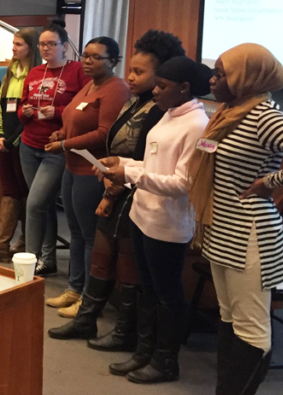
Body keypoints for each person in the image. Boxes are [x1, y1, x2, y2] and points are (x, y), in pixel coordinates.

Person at [48, 30, 184, 345]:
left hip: (137, 193)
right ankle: (88, 321)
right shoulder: (137, 101)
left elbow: (141, 157)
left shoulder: (160, 111)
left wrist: (112, 189)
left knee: (124, 264)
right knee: (101, 253)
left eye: (139, 72)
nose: (130, 78)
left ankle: (124, 332)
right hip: (118, 182)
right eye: (130, 70)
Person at [84, 56, 210, 387]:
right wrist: (123, 161)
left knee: (168, 295)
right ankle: (144, 352)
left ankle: (165, 361)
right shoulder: (170, 113)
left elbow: (183, 184)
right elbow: (154, 163)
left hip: (168, 225)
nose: (155, 90)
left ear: (184, 88)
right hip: (143, 215)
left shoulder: (197, 124)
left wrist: (129, 175)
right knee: (148, 290)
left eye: (162, 86)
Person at [181, 44, 283, 395]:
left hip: (251, 234)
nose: (212, 80)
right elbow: (207, 157)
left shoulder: (264, 115)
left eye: (221, 75)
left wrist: (271, 184)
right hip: (221, 229)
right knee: (228, 323)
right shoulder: (226, 113)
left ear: (248, 78)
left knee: (252, 329)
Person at [43, 37, 130, 315]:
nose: (88, 61)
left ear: (113, 61)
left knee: (91, 236)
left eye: (96, 57)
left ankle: (89, 299)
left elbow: (105, 133)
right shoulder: (89, 85)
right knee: (77, 234)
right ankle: (74, 288)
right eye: (86, 56)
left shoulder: (116, 89)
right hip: (71, 167)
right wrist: (61, 133)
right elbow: (74, 118)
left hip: (91, 171)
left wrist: (65, 144)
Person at [18, 21, 89, 276]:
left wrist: (57, 112)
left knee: (35, 203)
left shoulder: (77, 71)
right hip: (29, 145)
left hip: (56, 149)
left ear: (64, 47)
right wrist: (24, 111)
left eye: (51, 44)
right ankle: (47, 260)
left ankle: (29, 260)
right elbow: (22, 106)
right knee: (43, 205)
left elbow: (86, 108)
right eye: (42, 44)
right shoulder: (36, 71)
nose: (46, 48)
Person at [0, 28, 41, 261]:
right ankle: (2, 245)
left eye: (19, 44)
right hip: (5, 140)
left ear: (31, 49)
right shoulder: (11, 72)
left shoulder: (36, 75)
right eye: (13, 43)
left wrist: (12, 141)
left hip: (23, 142)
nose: (13, 48)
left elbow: (29, 116)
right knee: (10, 190)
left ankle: (23, 242)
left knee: (24, 191)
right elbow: (0, 109)